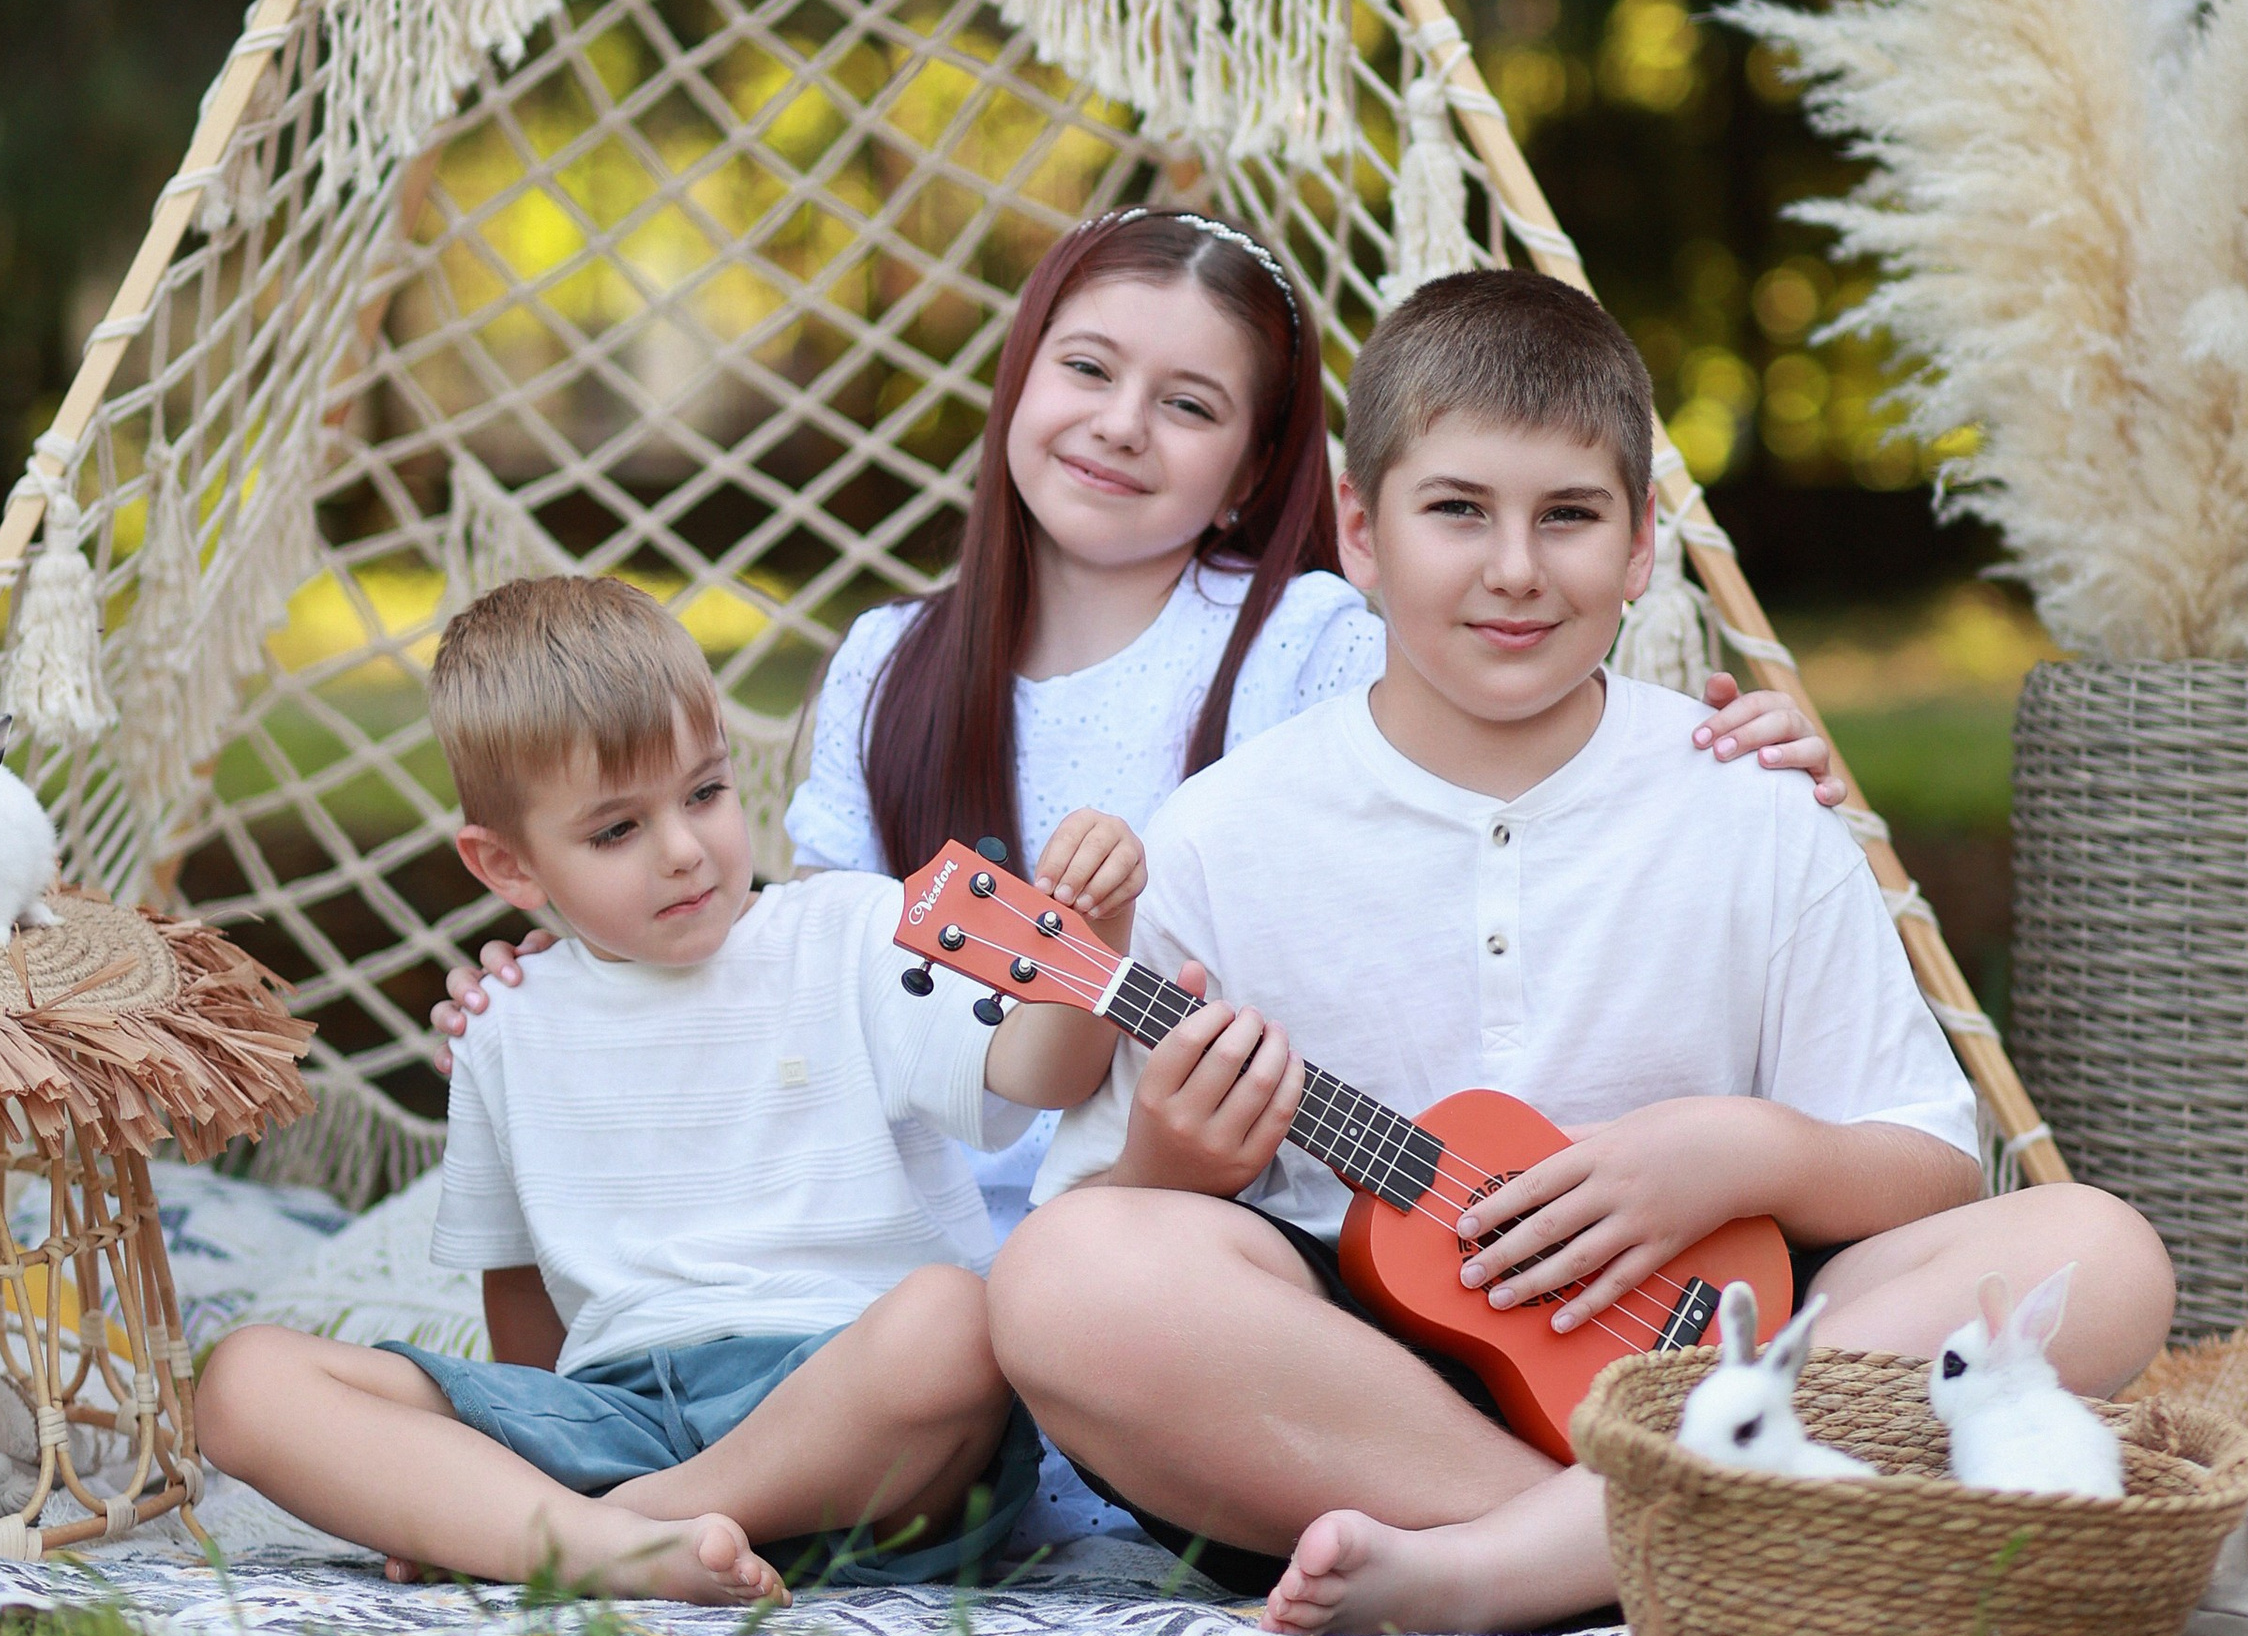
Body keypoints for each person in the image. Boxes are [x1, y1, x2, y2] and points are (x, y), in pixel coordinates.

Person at [985, 270, 2176, 1636]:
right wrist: (1180, 1163)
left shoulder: (1748, 806)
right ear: (1362, 534)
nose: (1514, 569)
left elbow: (1925, 1163)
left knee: (2101, 1247)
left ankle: (1508, 1575)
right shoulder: (1222, 833)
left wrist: (1735, 1153)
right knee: (1064, 1280)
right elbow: (1105, 1205)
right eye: (1456, 513)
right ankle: (1650, 1544)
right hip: (1369, 1407)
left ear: (1638, 547)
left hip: (1717, 1350)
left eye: (1567, 516)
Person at [437, 207, 1848, 1237]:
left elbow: (1492, 784)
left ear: (1250, 474)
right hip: (906, 1223)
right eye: (1089, 370)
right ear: (1019, 383)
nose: (1121, 425)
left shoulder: (1313, 644)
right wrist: (566, 972)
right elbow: (800, 972)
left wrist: (1729, 759)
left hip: (1238, 1205)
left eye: (1188, 405)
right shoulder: (892, 667)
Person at [199, 577, 1123, 1601]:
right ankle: (619, 1545)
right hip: (616, 1414)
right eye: (616, 831)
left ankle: (600, 1534)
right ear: (507, 866)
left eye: (704, 793)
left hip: (850, 1412)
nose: (684, 850)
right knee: (247, 1381)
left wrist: (1099, 936)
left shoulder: (848, 934)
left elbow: (1050, 1071)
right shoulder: (506, 1023)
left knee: (955, 1319)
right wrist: (528, 1441)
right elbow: (522, 1299)